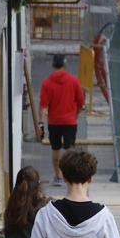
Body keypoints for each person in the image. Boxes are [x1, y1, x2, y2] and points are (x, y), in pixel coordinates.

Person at [39, 54, 85, 187]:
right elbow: (81, 102)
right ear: (64, 65)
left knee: (55, 149)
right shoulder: (74, 81)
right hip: (70, 121)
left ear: (53, 65)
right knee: (69, 150)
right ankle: (70, 176)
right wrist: (75, 115)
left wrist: (40, 123)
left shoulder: (46, 83)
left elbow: (43, 105)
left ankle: (58, 176)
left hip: (54, 122)